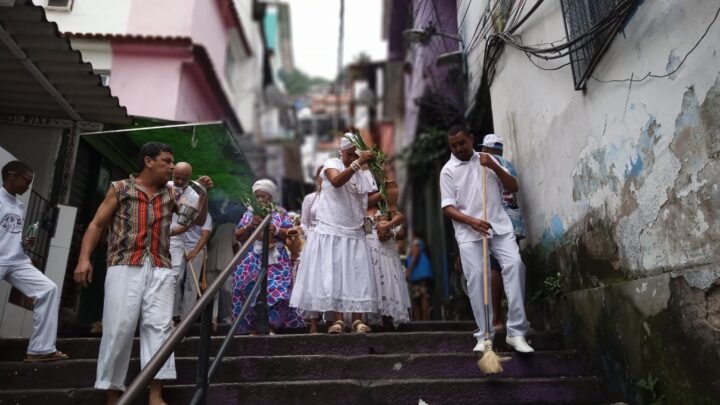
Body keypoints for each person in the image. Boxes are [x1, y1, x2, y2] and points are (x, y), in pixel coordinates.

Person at [74, 142, 207, 405]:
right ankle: (113, 395)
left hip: (160, 266)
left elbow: (198, 220)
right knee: (118, 328)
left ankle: (155, 394)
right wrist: (83, 259)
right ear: (148, 161)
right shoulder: (120, 188)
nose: (171, 167)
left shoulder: (171, 194)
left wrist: (203, 194)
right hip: (124, 264)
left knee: (159, 328)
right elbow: (97, 223)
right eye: (167, 161)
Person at [439, 125, 534, 354]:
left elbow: (513, 186)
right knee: (477, 279)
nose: (459, 149)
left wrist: (493, 166)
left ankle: (516, 332)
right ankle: (484, 334)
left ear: (472, 139)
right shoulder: (448, 170)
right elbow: (448, 207)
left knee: (515, 265)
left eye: (462, 143)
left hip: (499, 227)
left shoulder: (489, 160)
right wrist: (471, 221)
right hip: (469, 233)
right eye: (453, 146)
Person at [290, 134, 380, 334]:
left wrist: (383, 179)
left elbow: (370, 197)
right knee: (336, 274)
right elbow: (336, 181)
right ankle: (337, 320)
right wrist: (358, 163)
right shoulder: (332, 163)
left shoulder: (362, 171)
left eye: (354, 154)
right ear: (342, 151)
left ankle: (358, 320)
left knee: (357, 274)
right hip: (332, 229)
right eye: (349, 154)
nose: (351, 157)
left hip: (355, 231)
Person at [0, 161, 68, 362]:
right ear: (12, 176)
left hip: (17, 259)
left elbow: (7, 232)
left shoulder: (19, 204)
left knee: (48, 289)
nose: (28, 186)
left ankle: (40, 349)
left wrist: (23, 242)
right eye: (26, 181)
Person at [232, 179, 305, 334]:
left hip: (277, 259)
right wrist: (250, 225)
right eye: (257, 197)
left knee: (277, 289)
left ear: (271, 197)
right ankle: (255, 326)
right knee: (251, 290)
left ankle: (272, 324)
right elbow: (238, 236)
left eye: (263, 196)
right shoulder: (249, 213)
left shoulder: (280, 213)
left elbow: (290, 234)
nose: (260, 200)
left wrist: (277, 230)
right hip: (253, 259)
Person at [481, 134, 526, 332]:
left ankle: (497, 319)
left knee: (495, 268)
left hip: (497, 224)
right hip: (514, 225)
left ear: (488, 150)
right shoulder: (509, 165)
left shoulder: (487, 165)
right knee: (512, 267)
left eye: (484, 149)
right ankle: (514, 317)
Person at [366, 204, 411, 329]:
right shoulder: (356, 207)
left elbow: (401, 221)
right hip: (366, 251)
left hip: (384, 251)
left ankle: (388, 318)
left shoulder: (385, 208)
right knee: (370, 283)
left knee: (386, 282)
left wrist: (388, 227)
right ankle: (368, 320)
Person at [168, 162, 202, 322]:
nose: (179, 181)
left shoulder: (194, 196)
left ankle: (169, 317)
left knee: (175, 278)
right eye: (177, 177)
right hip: (154, 236)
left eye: (184, 179)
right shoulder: (165, 184)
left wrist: (170, 232)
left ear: (189, 178)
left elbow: (187, 224)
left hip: (175, 239)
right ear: (172, 173)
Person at [298, 167, 326, 333]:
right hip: (314, 241)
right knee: (313, 280)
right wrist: (303, 232)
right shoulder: (310, 198)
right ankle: (313, 323)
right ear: (317, 179)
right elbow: (304, 222)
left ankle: (333, 322)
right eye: (321, 177)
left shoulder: (339, 198)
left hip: (333, 239)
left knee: (331, 279)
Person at [177, 212, 212, 320]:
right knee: (177, 278)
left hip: (197, 249)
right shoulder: (184, 211)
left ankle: (186, 316)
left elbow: (205, 236)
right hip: (181, 247)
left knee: (191, 282)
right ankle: (175, 313)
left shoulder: (206, 215)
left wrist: (194, 252)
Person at [405, 231, 433, 321]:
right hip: (422, 273)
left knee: (421, 297)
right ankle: (424, 318)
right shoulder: (421, 243)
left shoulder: (416, 242)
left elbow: (415, 254)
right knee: (422, 296)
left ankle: (423, 319)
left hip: (419, 274)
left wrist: (409, 270)